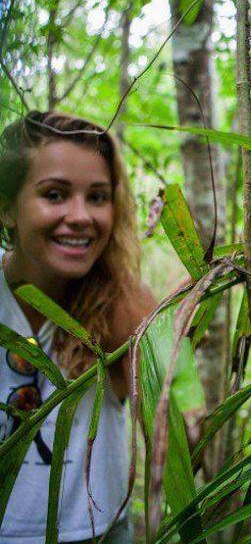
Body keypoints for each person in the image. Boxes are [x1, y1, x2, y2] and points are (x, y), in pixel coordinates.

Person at [0, 111, 155, 543]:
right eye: (54, 194)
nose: (80, 216)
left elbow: (176, 408)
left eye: (98, 197)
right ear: (7, 208)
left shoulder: (123, 301)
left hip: (98, 533)